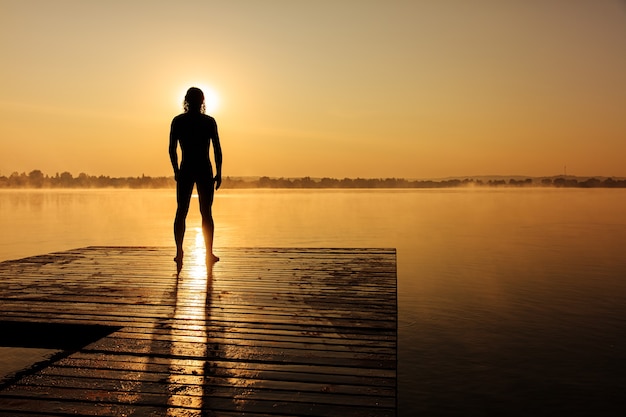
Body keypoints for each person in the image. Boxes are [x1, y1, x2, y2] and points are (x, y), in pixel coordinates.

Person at [169, 87, 222, 270]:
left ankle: (185, 252)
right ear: (201, 101)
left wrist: (176, 169)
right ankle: (192, 252)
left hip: (191, 169)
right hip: (199, 169)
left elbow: (171, 149)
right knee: (202, 212)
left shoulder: (180, 121)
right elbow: (217, 149)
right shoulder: (206, 122)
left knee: (186, 211)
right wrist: (219, 171)